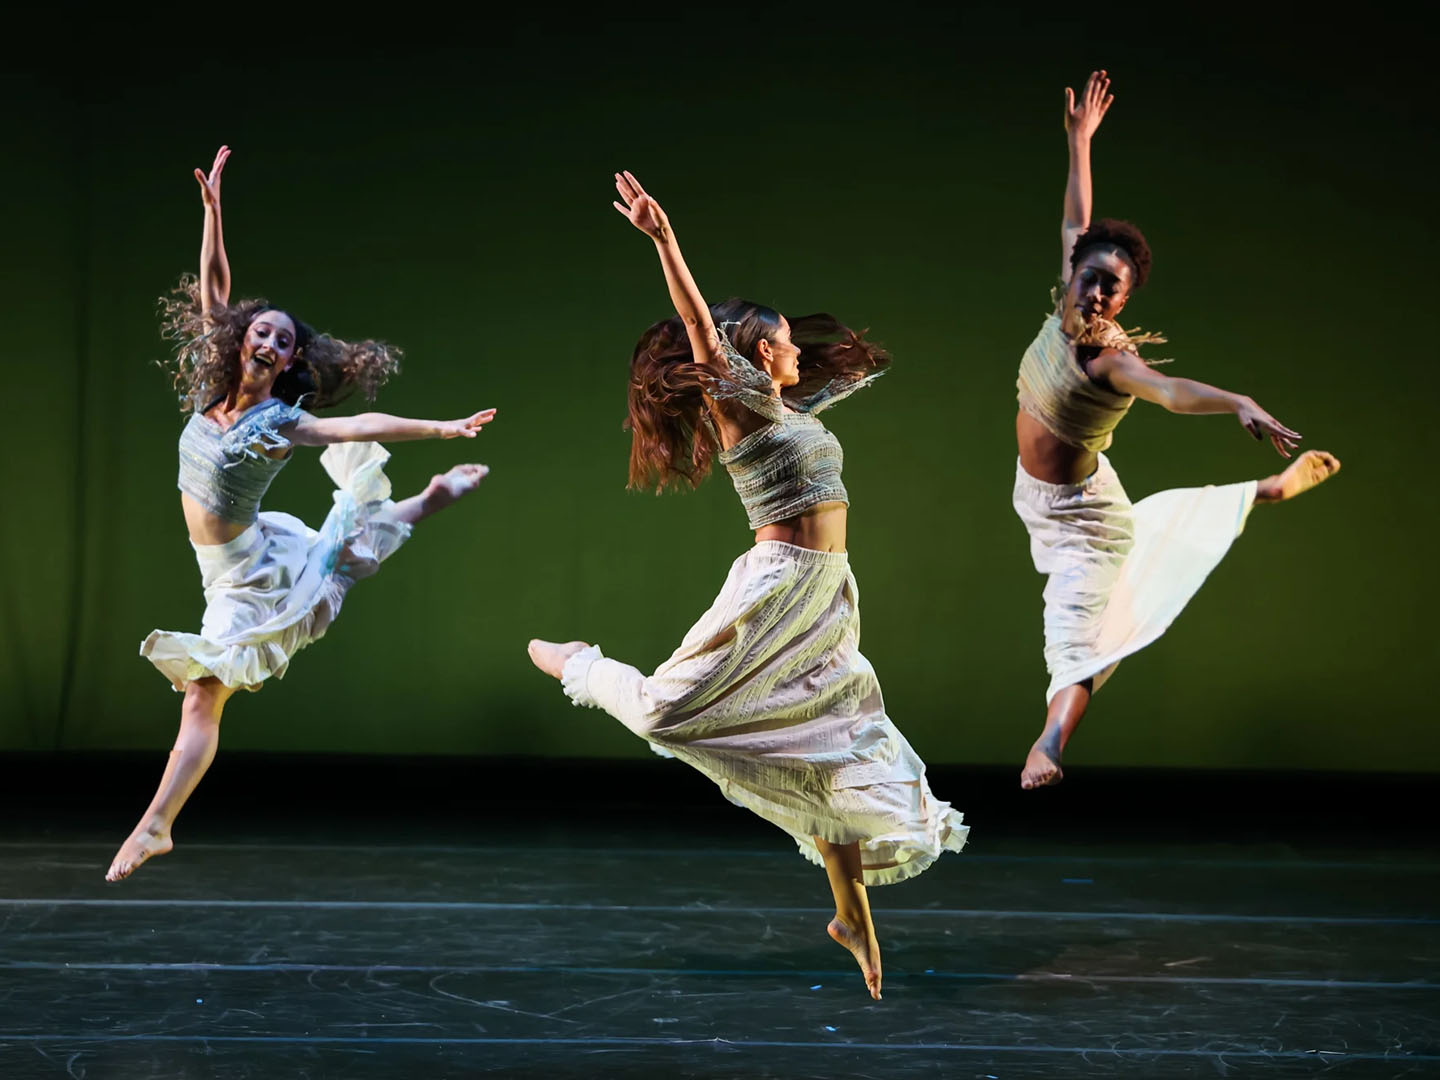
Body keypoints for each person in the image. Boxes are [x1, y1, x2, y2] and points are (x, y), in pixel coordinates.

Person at [528, 172, 968, 1001]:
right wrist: (665, 240)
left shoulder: (792, 409)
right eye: (785, 340)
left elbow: (828, 379)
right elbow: (701, 329)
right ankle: (581, 665)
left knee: (828, 739)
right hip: (772, 589)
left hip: (829, 592)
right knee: (664, 711)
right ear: (758, 349)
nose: (799, 346)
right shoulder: (741, 405)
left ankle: (851, 915)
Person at [106, 147, 495, 882]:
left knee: (201, 693)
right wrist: (213, 214)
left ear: (287, 362)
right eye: (262, 331)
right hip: (237, 558)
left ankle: (156, 825)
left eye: (284, 341)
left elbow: (360, 428)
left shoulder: (282, 423)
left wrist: (442, 428)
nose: (269, 342)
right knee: (336, 559)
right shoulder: (209, 390)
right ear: (243, 339)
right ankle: (431, 499)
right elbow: (217, 289)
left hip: (246, 576)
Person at [1013, 73, 1341, 790]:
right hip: (1044, 496)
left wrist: (1235, 400)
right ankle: (1259, 493)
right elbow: (1077, 219)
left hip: (1080, 521)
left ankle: (1050, 744)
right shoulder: (1068, 298)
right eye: (1091, 276)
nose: (1097, 290)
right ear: (1073, 274)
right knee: (1151, 528)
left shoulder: (1110, 357)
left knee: (1076, 641)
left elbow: (1168, 392)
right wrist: (1079, 141)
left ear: (1125, 300)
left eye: (1113, 288)